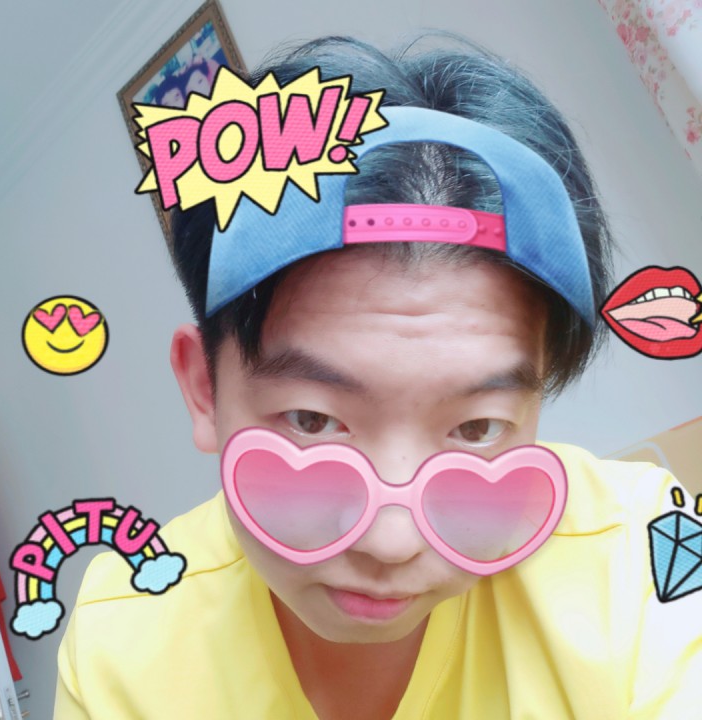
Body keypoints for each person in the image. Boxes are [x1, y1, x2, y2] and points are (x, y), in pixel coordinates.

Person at [54, 35, 701, 719]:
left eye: (476, 428)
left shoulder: (641, 557)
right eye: (313, 421)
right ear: (205, 389)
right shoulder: (124, 638)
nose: (392, 543)